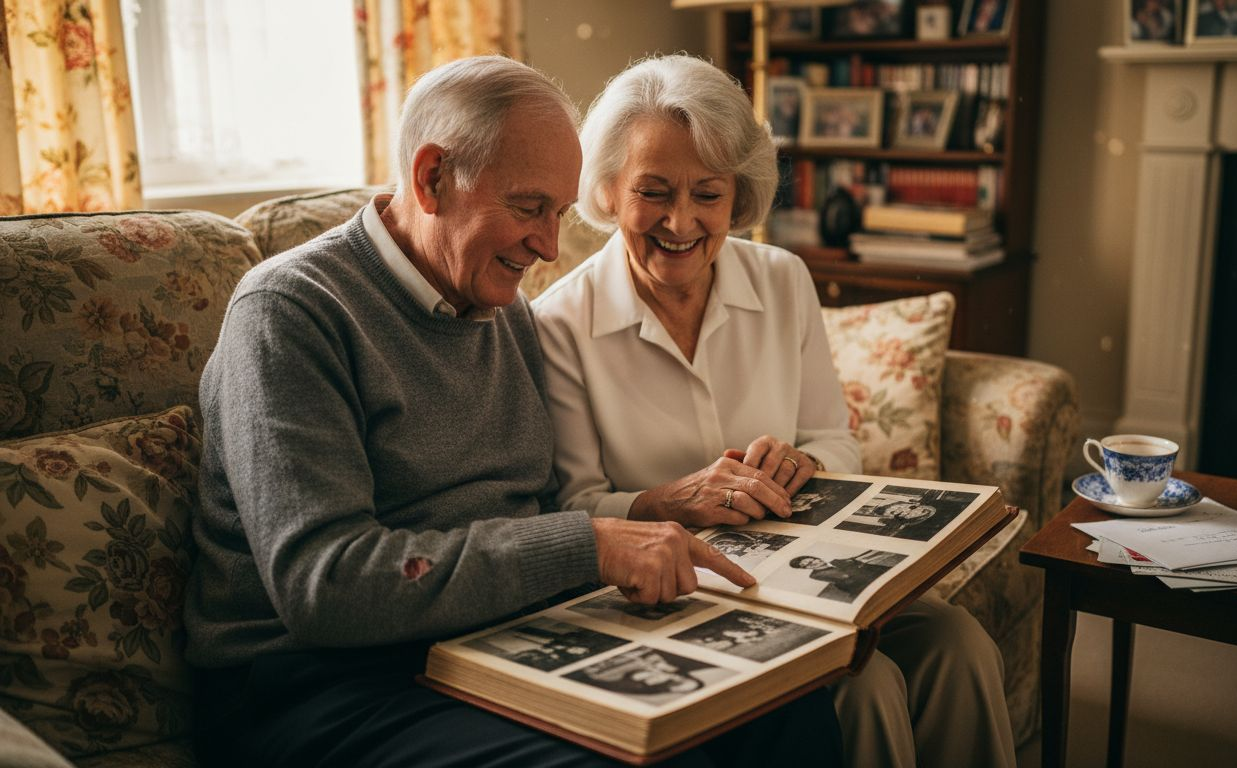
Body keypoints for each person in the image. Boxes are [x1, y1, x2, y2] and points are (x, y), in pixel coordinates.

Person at [183, 55, 841, 768]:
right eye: (529, 208)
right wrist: (589, 546)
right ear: (433, 178)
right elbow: (328, 584)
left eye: (558, 214)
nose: (550, 247)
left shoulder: (506, 314)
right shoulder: (292, 312)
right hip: (319, 684)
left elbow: (546, 506)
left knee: (780, 699)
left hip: (498, 645)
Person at [534, 54, 1016, 768]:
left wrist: (807, 461)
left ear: (739, 195)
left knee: (960, 644)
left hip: (813, 570)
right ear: (606, 189)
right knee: (866, 685)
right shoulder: (558, 324)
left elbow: (836, 442)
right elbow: (575, 507)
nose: (681, 221)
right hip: (676, 592)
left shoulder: (784, 279)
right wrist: (673, 500)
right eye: (654, 191)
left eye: (708, 193)